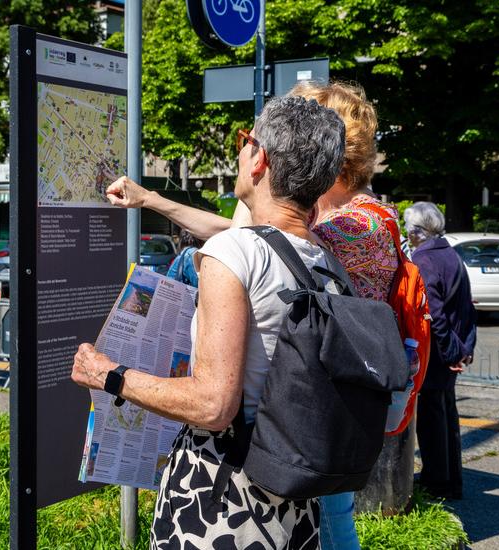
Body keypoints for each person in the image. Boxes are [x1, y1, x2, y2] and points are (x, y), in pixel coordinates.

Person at [104, 81, 391, 550]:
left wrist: (109, 374)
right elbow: (261, 236)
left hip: (224, 490)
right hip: (298, 473)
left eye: (248, 142)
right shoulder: (326, 254)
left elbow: (213, 405)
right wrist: (151, 200)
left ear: (263, 158)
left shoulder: (262, 246)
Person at [402, 202, 477, 500]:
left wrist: (450, 354)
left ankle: (438, 482)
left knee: (433, 420)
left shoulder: (424, 260)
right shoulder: (451, 255)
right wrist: (464, 349)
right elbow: (468, 308)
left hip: (436, 354)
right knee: (446, 415)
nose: (408, 236)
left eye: (410, 230)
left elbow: (434, 315)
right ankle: (449, 479)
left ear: (419, 232)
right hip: (451, 351)